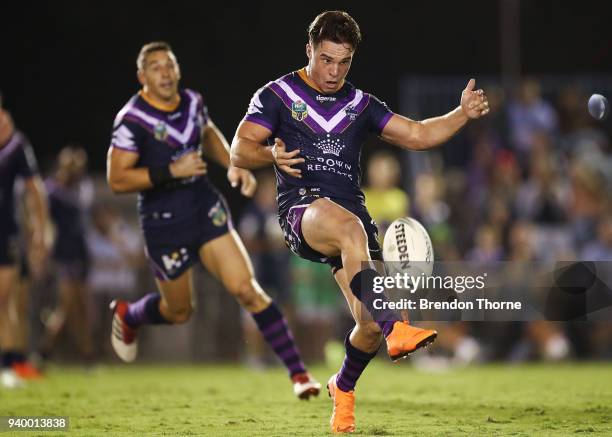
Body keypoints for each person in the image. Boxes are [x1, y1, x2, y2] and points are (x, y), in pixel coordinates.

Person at [230, 11, 489, 433]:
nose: (334, 71)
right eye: (326, 59)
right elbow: (240, 149)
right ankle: (397, 326)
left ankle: (343, 388)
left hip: (352, 222)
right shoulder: (277, 94)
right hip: (303, 209)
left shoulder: (361, 105)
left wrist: (460, 114)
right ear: (309, 50)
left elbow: (419, 134)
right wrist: (270, 156)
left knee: (365, 327)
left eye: (343, 61)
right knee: (354, 239)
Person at [106, 42, 320, 399]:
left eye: (169, 65)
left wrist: (234, 165)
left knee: (246, 289)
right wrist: (169, 170)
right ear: (142, 77)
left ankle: (299, 375)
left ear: (178, 70)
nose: (165, 72)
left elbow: (207, 134)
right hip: (164, 222)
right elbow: (117, 179)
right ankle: (130, 315)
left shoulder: (192, 102)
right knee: (179, 311)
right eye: (156, 67)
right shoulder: (132, 119)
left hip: (204, 207)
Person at [0, 95, 51, 388]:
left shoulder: (15, 143)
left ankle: (12, 363)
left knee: (7, 301)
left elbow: (35, 190)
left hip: (7, 232)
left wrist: (40, 232)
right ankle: (13, 361)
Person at [39, 146, 95, 363]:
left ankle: (85, 354)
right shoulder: (51, 190)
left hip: (81, 253)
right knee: (67, 307)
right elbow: (44, 222)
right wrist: (42, 251)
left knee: (82, 308)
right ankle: (46, 350)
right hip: (64, 255)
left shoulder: (78, 191)